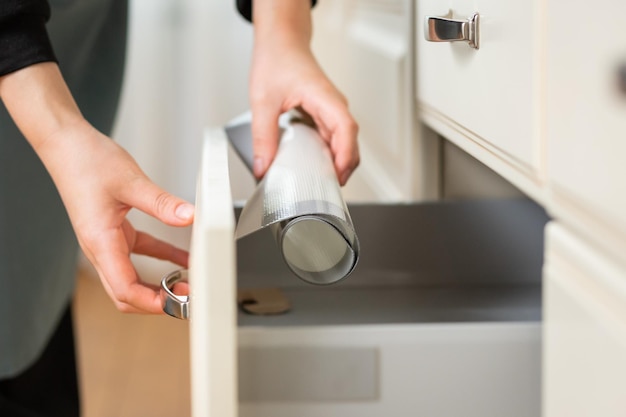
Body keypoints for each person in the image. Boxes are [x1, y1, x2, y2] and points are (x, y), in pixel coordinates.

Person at [0, 0, 360, 415]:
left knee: (33, 307)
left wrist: (284, 36)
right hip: (24, 80)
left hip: (61, 64)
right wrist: (59, 136)